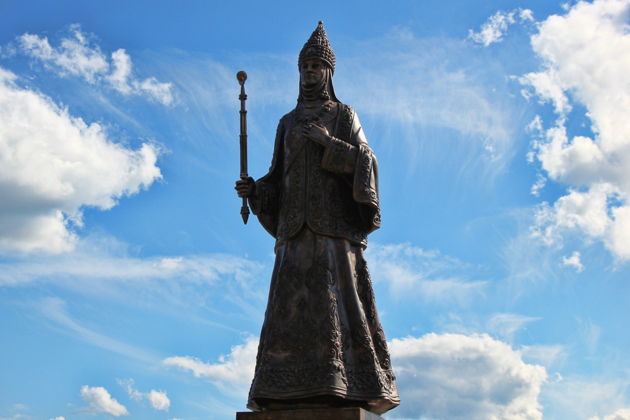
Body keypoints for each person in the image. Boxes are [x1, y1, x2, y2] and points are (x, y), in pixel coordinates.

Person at [235, 21, 399, 415]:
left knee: (337, 302)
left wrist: (329, 144)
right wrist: (255, 190)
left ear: (328, 72)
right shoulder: (287, 123)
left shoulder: (343, 115)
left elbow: (367, 160)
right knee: (289, 306)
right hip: (295, 230)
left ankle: (344, 380)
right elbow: (278, 176)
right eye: (305, 66)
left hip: (333, 228)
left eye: (316, 66)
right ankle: (281, 386)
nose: (310, 72)